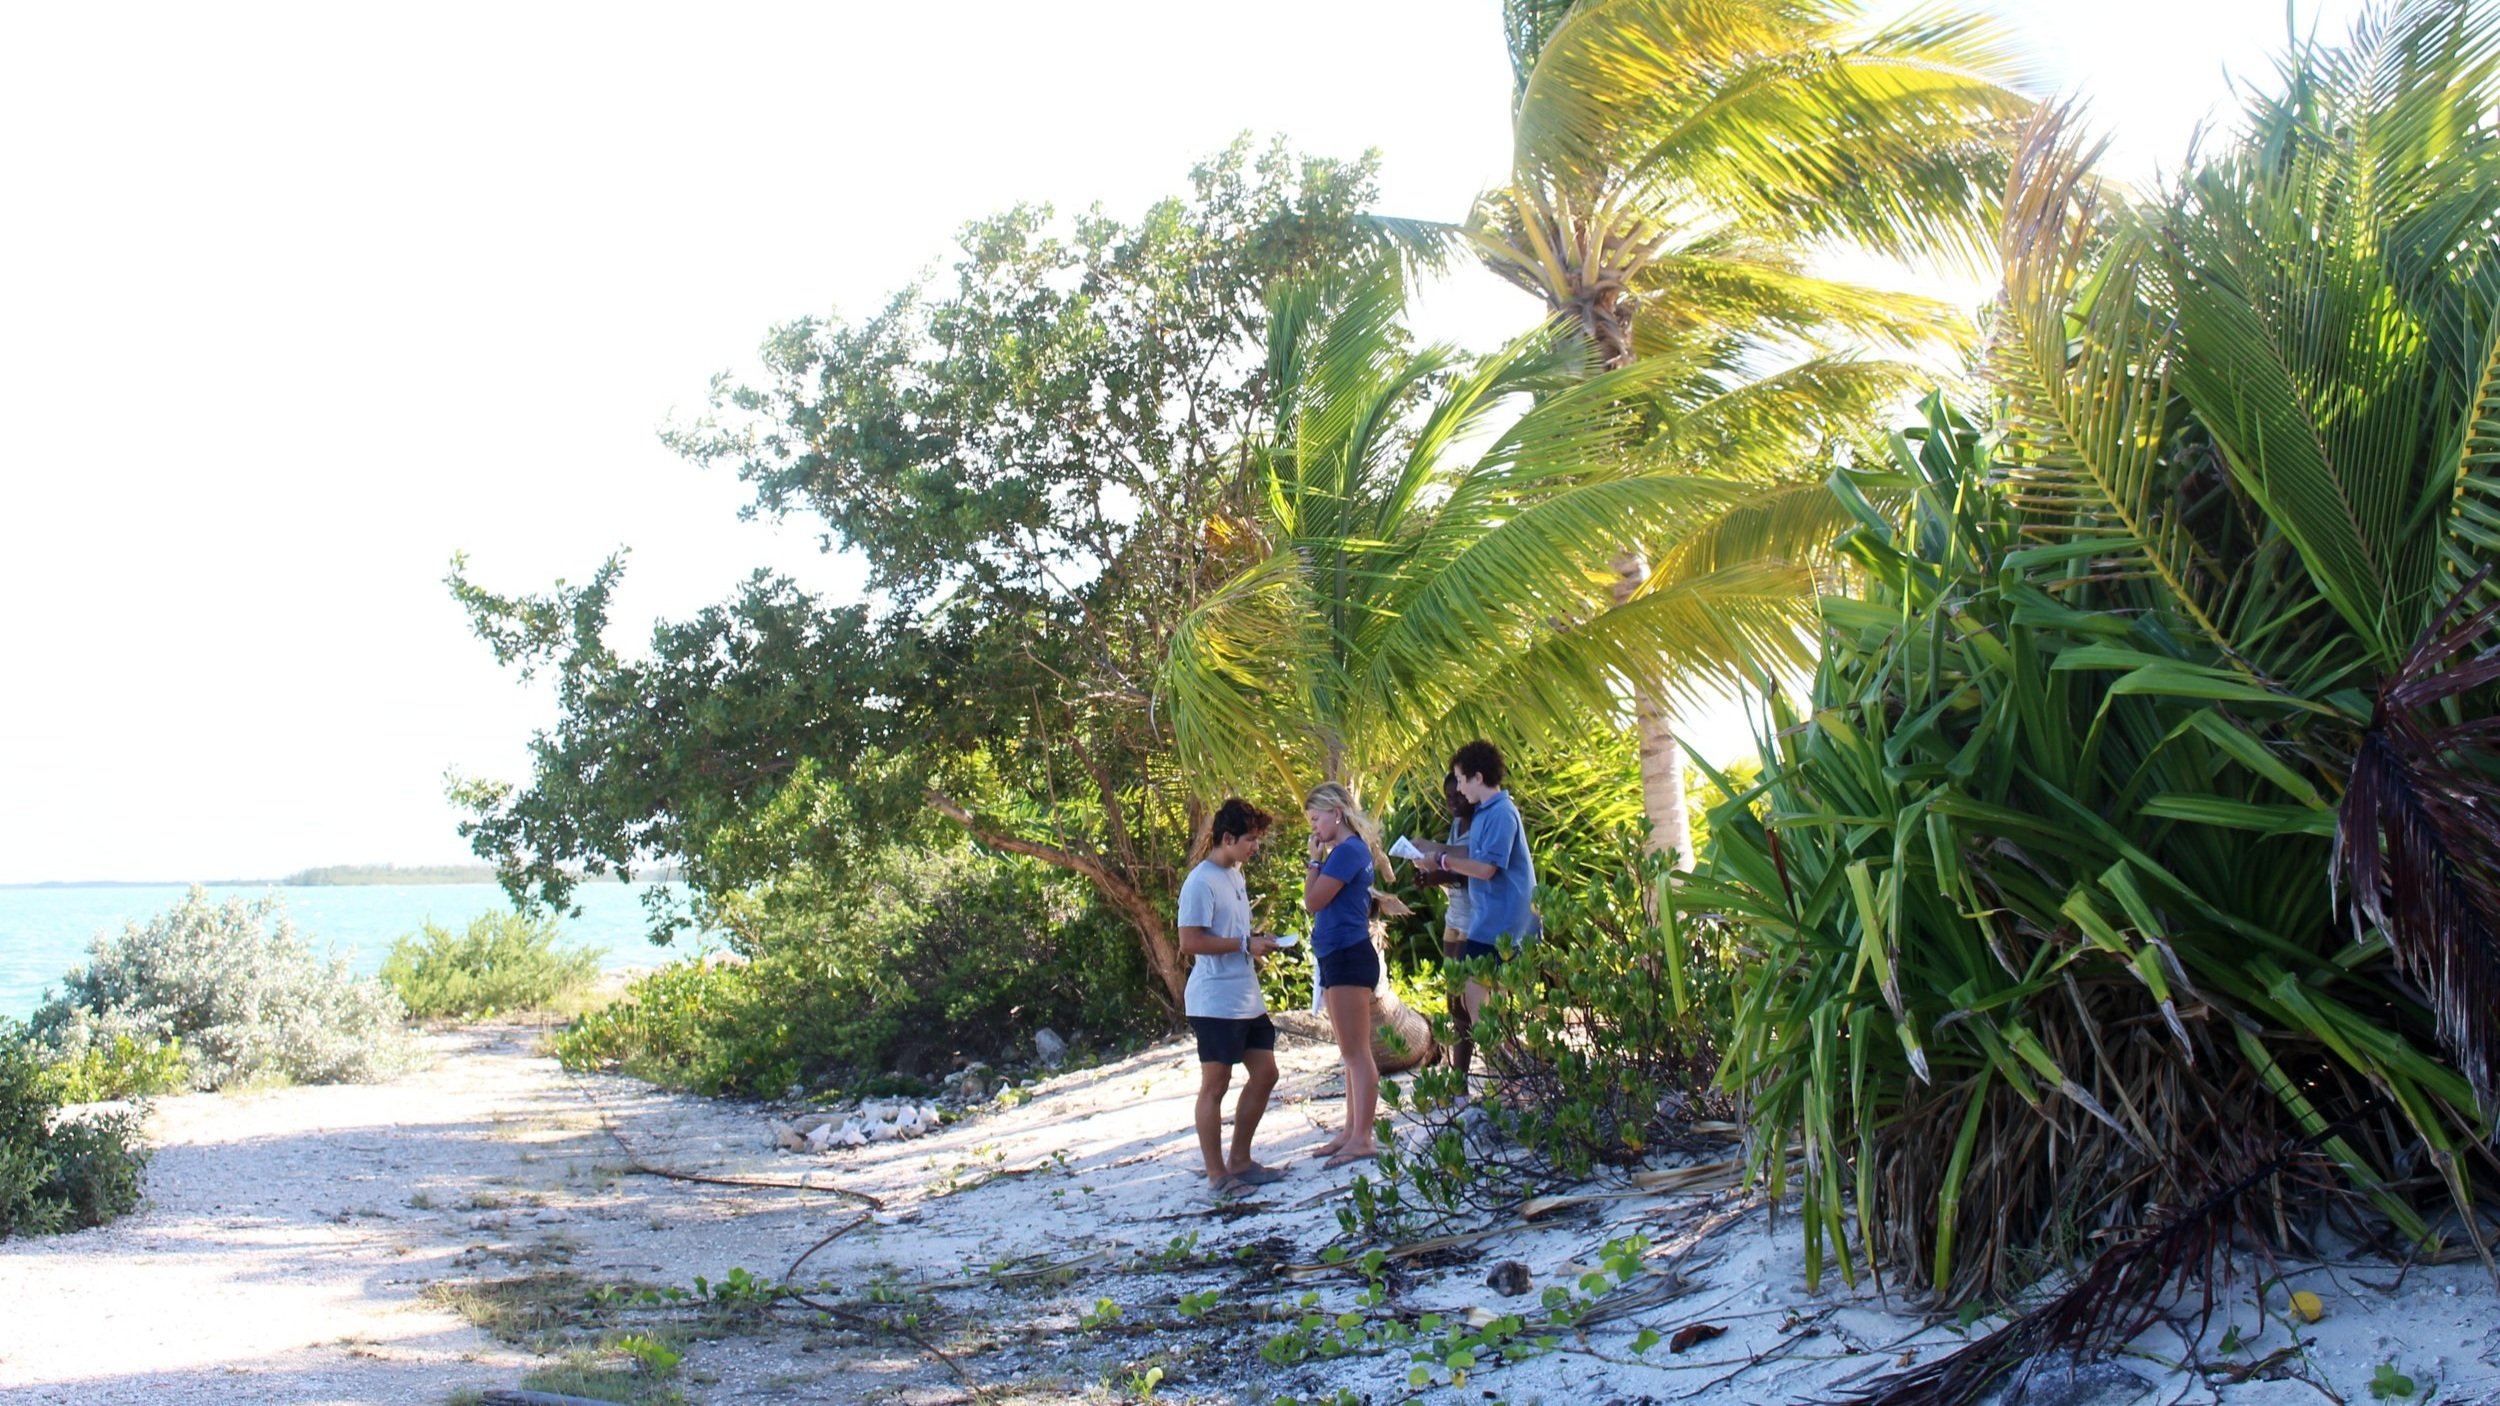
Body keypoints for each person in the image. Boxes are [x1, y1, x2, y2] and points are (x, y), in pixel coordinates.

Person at [1177, 797, 1289, 1200]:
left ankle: (1241, 1160)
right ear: (1227, 838)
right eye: (1251, 839)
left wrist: (1257, 941)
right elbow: (1190, 942)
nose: (1255, 846)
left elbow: (1234, 934)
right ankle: (1216, 1174)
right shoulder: (1200, 881)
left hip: (1246, 996)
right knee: (1216, 1083)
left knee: (1266, 1073)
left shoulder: (1236, 875)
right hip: (1214, 1000)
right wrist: (1244, 943)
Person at [1419, 741, 1536, 1081]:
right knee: (1482, 1009)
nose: (1457, 787)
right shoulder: (1485, 812)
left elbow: (1485, 869)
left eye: (1460, 779)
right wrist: (1434, 854)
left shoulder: (1502, 812)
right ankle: (1514, 1081)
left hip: (1503, 925)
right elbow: (1469, 856)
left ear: (1477, 777)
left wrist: (1441, 860)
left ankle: (1515, 1083)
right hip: (1487, 922)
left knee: (1480, 1008)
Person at [1301, 781, 1388, 1169]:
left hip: (1349, 954)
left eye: (1316, 819)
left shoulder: (1348, 851)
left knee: (1357, 1053)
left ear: (1336, 812)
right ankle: (1351, 1130)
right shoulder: (1349, 850)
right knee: (1349, 1052)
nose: (1314, 828)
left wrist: (1313, 861)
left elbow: (1313, 900)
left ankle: (1363, 1137)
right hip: (1339, 954)